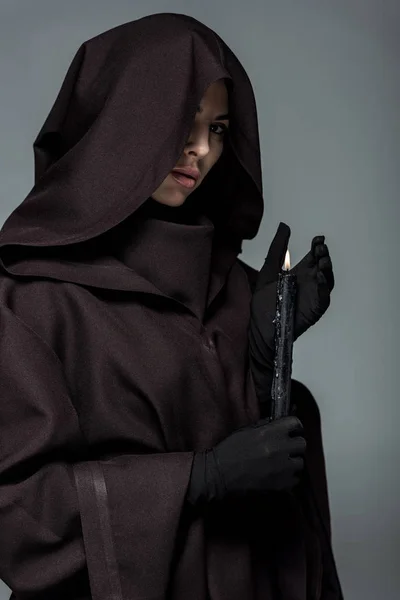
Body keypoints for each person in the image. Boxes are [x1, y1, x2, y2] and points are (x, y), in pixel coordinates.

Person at [0, 12, 344, 600]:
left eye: (219, 128)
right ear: (122, 117)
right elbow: (20, 515)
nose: (202, 150)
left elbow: (264, 464)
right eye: (184, 121)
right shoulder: (32, 299)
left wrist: (267, 365)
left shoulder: (235, 284)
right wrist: (197, 480)